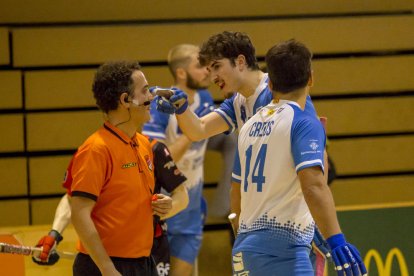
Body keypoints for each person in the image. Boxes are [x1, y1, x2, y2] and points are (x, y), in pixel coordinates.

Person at [155, 31, 331, 273]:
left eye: (217, 66)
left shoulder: (277, 90)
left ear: (239, 61)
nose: (212, 75)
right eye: (209, 68)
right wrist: (181, 108)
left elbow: (316, 149)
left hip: (292, 225)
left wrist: (316, 222)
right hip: (260, 226)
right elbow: (199, 129)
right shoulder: (238, 101)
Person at [230, 39, 366, 275]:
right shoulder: (304, 123)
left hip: (244, 251)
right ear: (311, 78)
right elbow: (313, 186)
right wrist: (336, 240)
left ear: (270, 83)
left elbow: (236, 192)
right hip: (284, 252)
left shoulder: (248, 126)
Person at [69, 61, 173, 276]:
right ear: (125, 100)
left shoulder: (144, 144)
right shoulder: (96, 150)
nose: (151, 97)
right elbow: (79, 214)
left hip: (143, 262)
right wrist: (107, 268)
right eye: (145, 91)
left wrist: (161, 205)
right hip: (105, 268)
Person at [32, 135, 189, 276]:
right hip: (103, 250)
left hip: (150, 248)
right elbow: (74, 198)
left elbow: (182, 197)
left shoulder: (154, 148)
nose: (149, 102)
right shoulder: (94, 150)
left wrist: (164, 209)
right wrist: (54, 234)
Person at [142, 44, 214, 276]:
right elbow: (155, 159)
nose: (207, 70)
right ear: (181, 73)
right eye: (199, 65)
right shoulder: (160, 105)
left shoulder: (205, 98)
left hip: (191, 206)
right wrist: (195, 127)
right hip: (162, 203)